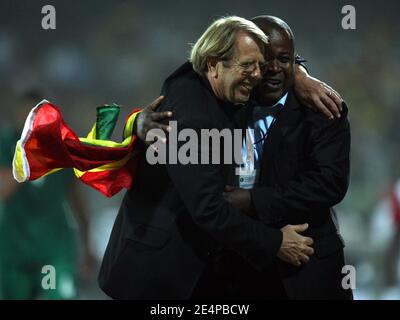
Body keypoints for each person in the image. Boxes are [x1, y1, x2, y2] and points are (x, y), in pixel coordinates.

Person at [134, 16, 352, 299]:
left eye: (284, 60)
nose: (272, 70)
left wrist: (252, 202)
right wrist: (138, 123)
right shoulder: (226, 97)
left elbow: (329, 183)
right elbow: (190, 78)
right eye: (261, 62)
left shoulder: (322, 108)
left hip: (306, 269)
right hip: (232, 268)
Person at [0, 90, 96, 299]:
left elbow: (78, 202)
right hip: (14, 251)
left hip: (53, 251)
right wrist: (27, 156)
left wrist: (88, 246)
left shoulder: (61, 148)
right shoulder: (5, 144)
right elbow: (2, 192)